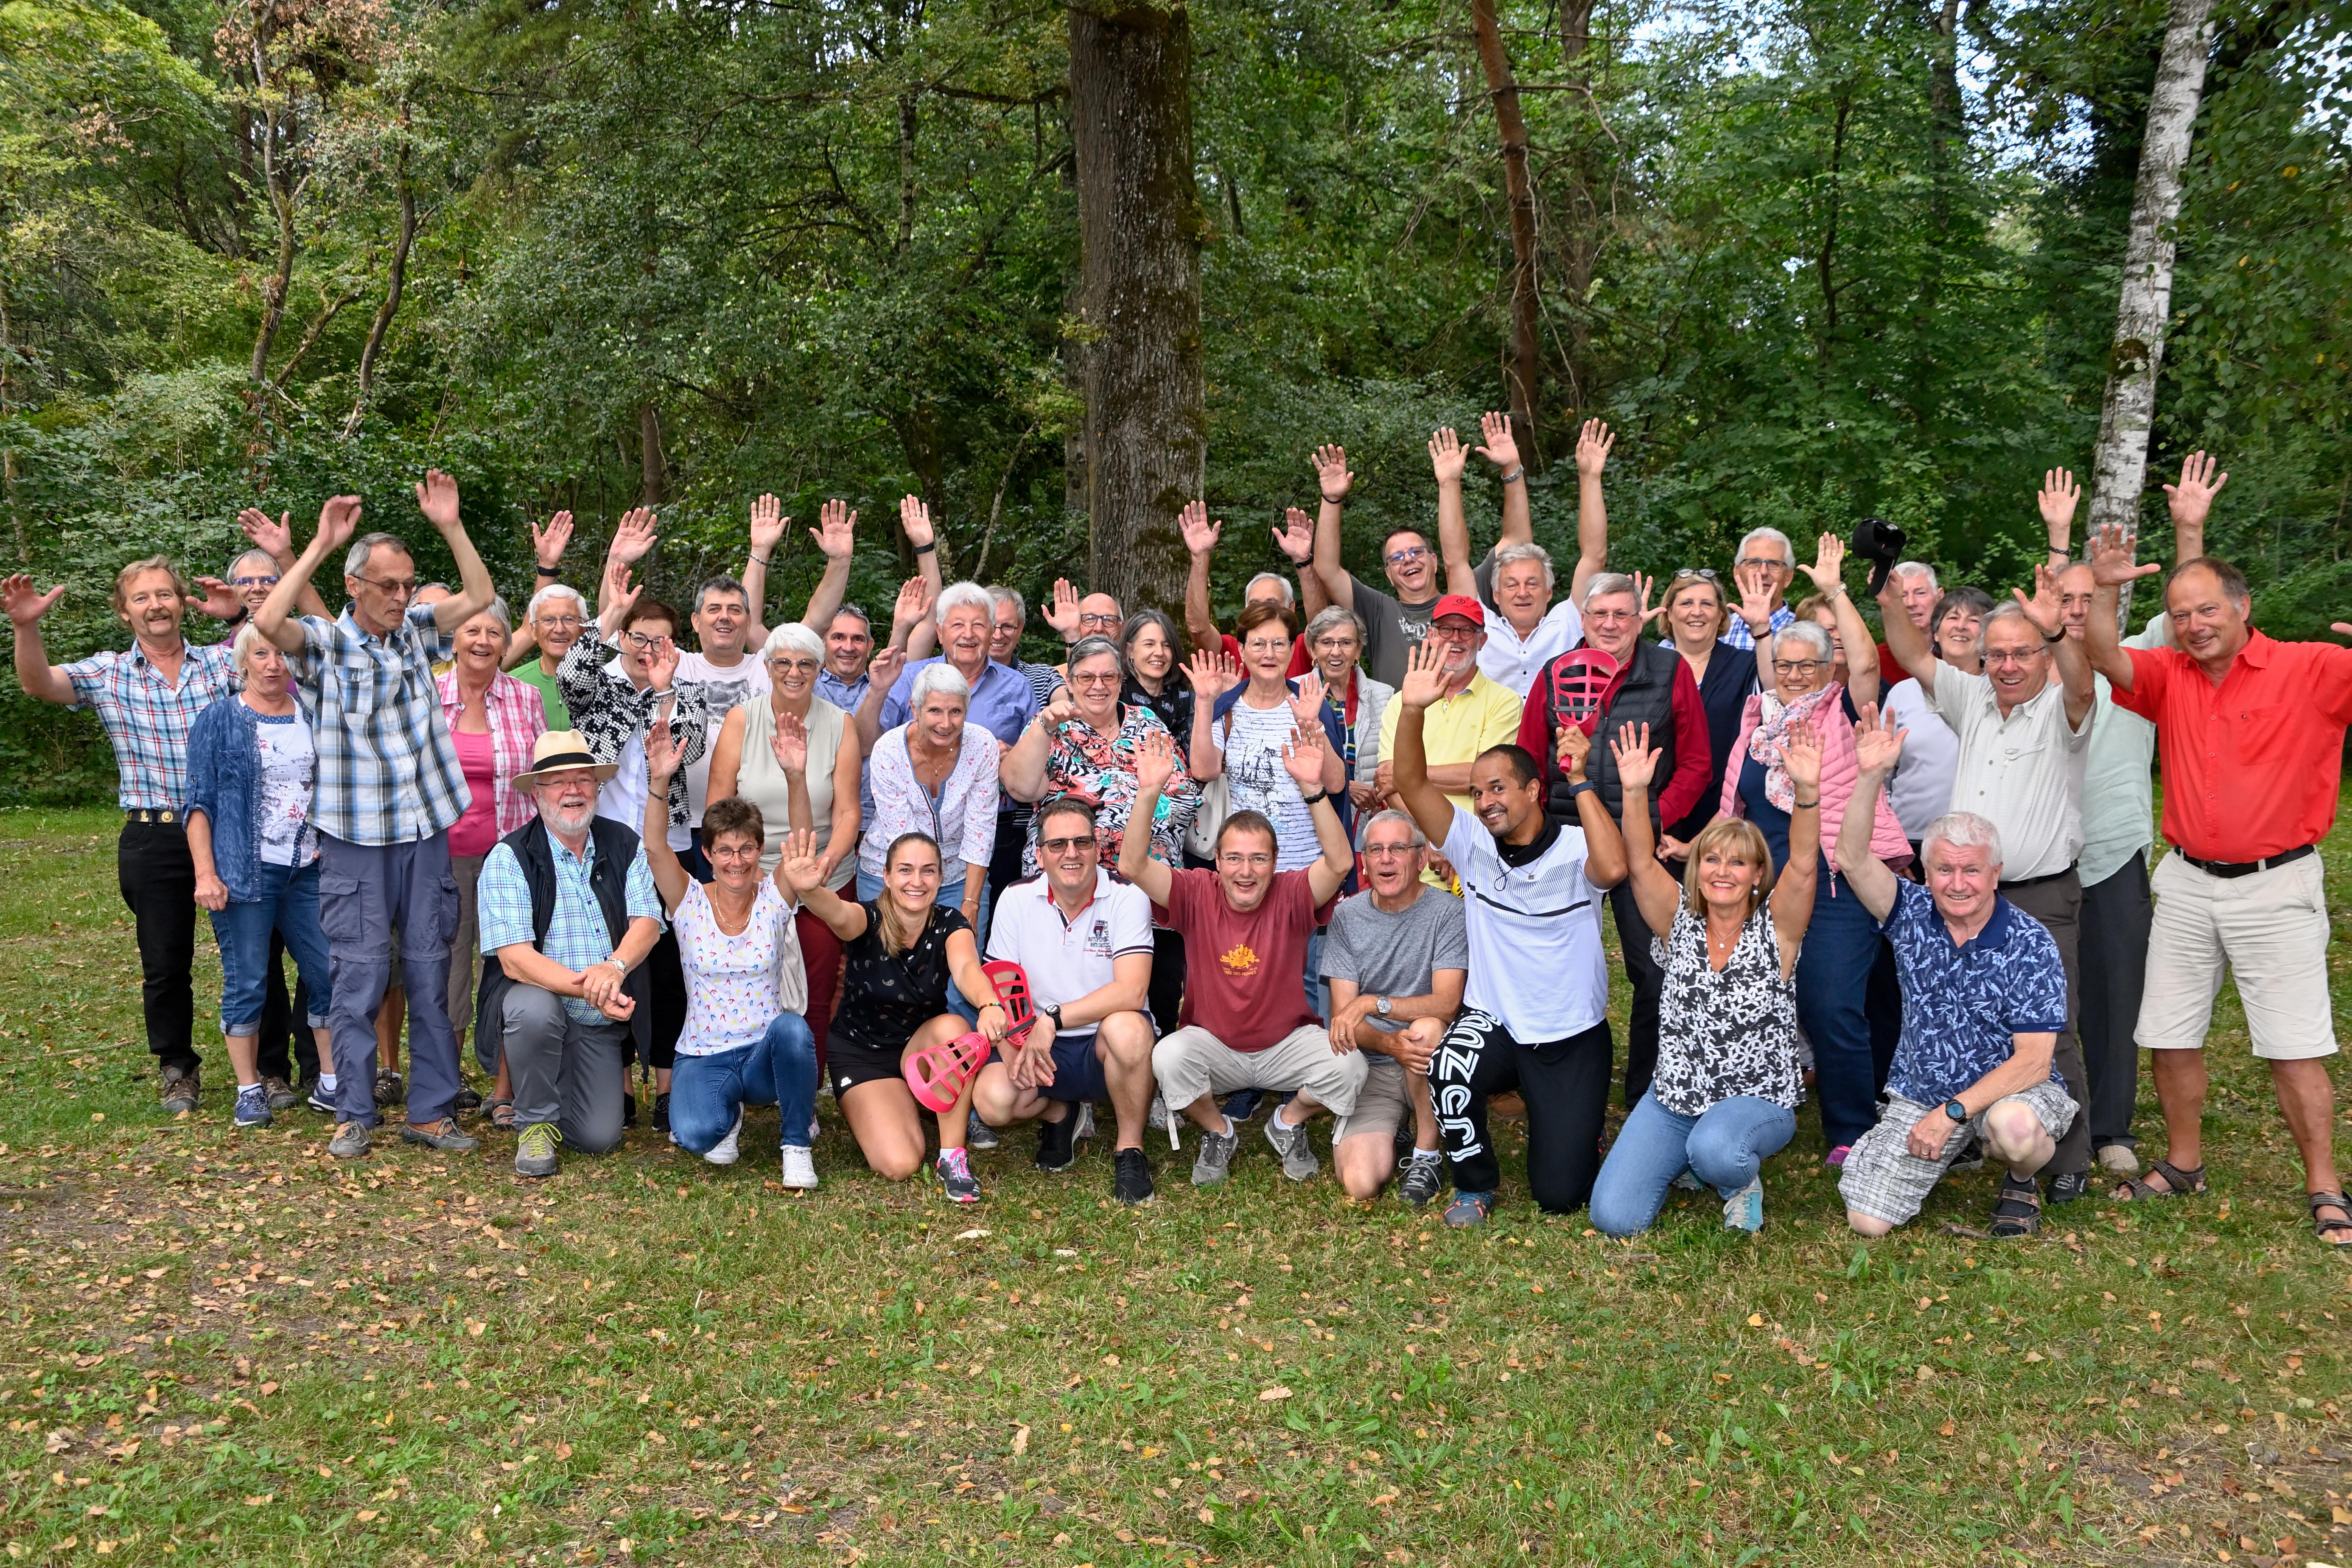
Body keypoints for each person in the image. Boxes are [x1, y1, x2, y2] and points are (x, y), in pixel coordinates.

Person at [2082, 511, 2352, 1247]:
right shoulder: (2169, 675)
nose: (2193, 624)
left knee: (2291, 1046)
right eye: (2179, 615)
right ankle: (2181, 1163)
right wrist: (2103, 589)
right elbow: (2104, 657)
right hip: (2187, 882)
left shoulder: (2311, 668)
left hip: (2276, 884)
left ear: (2241, 608)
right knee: (2168, 1033)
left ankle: (2324, 1185)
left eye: (2206, 609)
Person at [252, 476, 497, 1159]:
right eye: (387, 585)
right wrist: (319, 546)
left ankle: (432, 1112)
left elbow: (478, 597)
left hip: (425, 831)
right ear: (355, 586)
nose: (400, 596)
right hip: (356, 838)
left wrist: (450, 524)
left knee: (428, 967)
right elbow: (269, 624)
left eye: (406, 584)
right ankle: (354, 1111)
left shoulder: (419, 633)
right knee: (357, 976)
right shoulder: (325, 646)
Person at [1880, 549, 2096, 1204]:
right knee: (1960, 1022)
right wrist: (1888, 595)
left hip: (2040, 892)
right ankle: (1971, 1137)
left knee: (2051, 1032)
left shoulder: (2066, 708)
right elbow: (1914, 655)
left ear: (2043, 657)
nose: (2006, 665)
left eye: (2022, 653)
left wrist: (2057, 630)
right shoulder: (1970, 697)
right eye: (1996, 653)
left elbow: (2084, 684)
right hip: (1963, 895)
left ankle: (2065, 1160)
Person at [1389, 640, 1629, 1224]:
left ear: (1532, 791)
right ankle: (1475, 1184)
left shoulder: (1577, 849)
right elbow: (1412, 782)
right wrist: (1415, 710)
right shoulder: (1471, 845)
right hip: (1494, 1020)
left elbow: (1616, 869)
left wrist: (1580, 777)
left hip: (1569, 1033)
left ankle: (1582, 1128)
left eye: (1498, 787)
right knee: (1448, 1066)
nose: (1485, 801)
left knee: (1560, 1195)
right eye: (1477, 791)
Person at [6, 557, 244, 1112]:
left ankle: (273, 1069)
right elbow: (38, 683)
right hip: (153, 837)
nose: (156, 605)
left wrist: (241, 617)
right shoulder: (109, 673)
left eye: (165, 594)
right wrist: (25, 626)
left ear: (183, 603)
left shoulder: (220, 665)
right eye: (142, 598)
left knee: (254, 952)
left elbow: (277, 655)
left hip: (228, 831)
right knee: (165, 962)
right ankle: (177, 1068)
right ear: (124, 611)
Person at [1834, 715, 2077, 1238]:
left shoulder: (2030, 941)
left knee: (2015, 1131)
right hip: (1923, 1090)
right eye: (1945, 869)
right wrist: (1870, 776)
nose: (1958, 883)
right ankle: (1954, 1150)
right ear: (1926, 872)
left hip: (2009, 1094)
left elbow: (2034, 1062)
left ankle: (2020, 1178)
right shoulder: (1910, 912)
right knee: (1867, 1222)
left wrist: (1953, 1114)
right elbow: (1851, 857)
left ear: (1996, 873)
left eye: (1972, 870)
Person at [1589, 720, 1819, 1236]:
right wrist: (1633, 791)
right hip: (1675, 1099)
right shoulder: (1679, 922)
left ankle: (1734, 1179)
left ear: (1758, 875)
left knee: (1717, 1150)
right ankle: (1690, 1160)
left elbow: (1803, 865)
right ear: (1696, 867)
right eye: (1711, 858)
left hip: (1758, 1101)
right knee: (1614, 1218)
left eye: (1739, 863)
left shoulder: (1777, 929)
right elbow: (1640, 863)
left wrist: (1807, 793)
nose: (1722, 871)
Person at [2047, 459, 2204, 1175]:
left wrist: (2187, 531)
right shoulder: (2031, 662)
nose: (2076, 611)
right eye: (2067, 600)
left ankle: (2110, 1127)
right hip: (2043, 860)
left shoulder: (2140, 654)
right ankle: (2045, 1116)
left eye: (2088, 599)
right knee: (2047, 1000)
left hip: (2112, 853)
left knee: (2113, 997)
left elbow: (2190, 609)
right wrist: (2056, 539)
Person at [1123, 725, 1363, 1185]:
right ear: (1217, 860)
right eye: (1234, 858)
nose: (1246, 871)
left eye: (1258, 859)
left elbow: (1340, 864)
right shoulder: (1195, 892)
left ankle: (1287, 1122)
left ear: (1275, 863)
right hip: (1214, 1044)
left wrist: (1314, 791)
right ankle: (1219, 1130)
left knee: (1350, 1066)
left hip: (1285, 1042)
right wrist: (1149, 792)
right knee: (1168, 1057)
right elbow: (1133, 865)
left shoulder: (1292, 892)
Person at [1713, 617, 1910, 1166]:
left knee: (1832, 1005)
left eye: (1808, 666)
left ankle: (1852, 1128)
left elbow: (1869, 665)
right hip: (1763, 892)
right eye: (1785, 665)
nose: (1795, 675)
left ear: (1830, 670)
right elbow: (1738, 803)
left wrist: (1838, 589)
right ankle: (1751, 1112)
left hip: (1834, 885)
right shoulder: (1759, 720)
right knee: (1754, 1004)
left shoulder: (1844, 713)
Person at [1515, 571, 1709, 1108]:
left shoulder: (1670, 672)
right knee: (1555, 966)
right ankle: (1550, 1084)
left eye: (1622, 615)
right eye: (1600, 614)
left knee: (1653, 969)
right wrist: (1536, 837)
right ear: (1583, 619)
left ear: (1639, 618)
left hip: (1641, 847)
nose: (1610, 625)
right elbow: (1529, 760)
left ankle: (1649, 1090)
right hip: (1566, 843)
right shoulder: (1556, 675)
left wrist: (1650, 824)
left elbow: (1695, 765)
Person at [560, 541, 713, 1131]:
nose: (651, 649)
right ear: (623, 636)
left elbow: (689, 748)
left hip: (667, 844)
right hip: (604, 845)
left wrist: (665, 690)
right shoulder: (598, 685)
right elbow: (571, 677)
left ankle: (670, 1083)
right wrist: (608, 620)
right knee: (613, 961)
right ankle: (618, 1082)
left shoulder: (686, 691)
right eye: (640, 637)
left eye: (662, 640)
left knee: (672, 966)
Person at [474, 731, 666, 1177]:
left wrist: (614, 968)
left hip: (597, 1018)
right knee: (533, 1008)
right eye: (558, 782)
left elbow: (648, 923)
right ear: (537, 793)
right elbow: (515, 960)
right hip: (541, 1003)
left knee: (600, 1137)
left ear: (597, 789)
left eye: (583, 780)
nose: (573, 791)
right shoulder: (509, 857)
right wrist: (593, 988)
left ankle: (546, 1084)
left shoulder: (624, 843)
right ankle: (535, 1124)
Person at [784, 828, 1010, 1201]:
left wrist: (989, 1004)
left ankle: (953, 1157)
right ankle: (884, 1105)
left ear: (940, 878)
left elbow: (968, 968)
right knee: (900, 1163)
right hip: (862, 1055)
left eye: (928, 871)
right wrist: (810, 892)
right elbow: (840, 915)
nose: (917, 882)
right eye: (905, 871)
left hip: (919, 1050)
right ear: (886, 877)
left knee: (956, 1028)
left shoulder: (951, 923)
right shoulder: (868, 918)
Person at [643, 720, 820, 1188]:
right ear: (708, 853)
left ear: (760, 851)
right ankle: (727, 1113)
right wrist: (659, 781)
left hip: (764, 1050)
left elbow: (800, 847)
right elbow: (656, 848)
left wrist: (796, 776)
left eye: (746, 849)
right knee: (697, 1135)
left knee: (794, 1029)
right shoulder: (688, 901)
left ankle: (796, 1143)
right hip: (704, 1053)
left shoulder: (773, 899)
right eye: (724, 850)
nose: (736, 861)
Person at [184, 625, 335, 1129]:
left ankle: (331, 1082)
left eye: (282, 654)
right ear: (242, 662)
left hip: (308, 868)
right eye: (262, 654)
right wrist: (206, 873)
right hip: (245, 872)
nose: (273, 664)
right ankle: (249, 1089)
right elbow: (199, 803)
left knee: (328, 973)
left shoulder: (311, 718)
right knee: (248, 979)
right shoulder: (220, 719)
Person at [970, 797, 1158, 1203]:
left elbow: (1132, 991)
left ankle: (1130, 1148)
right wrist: (1009, 1049)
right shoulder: (1016, 898)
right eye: (1057, 845)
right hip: (1035, 1045)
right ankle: (1061, 1112)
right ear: (1039, 854)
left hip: (1101, 1043)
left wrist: (1052, 1019)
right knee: (992, 1103)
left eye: (1082, 842)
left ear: (1098, 846)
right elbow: (997, 985)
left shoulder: (1128, 897)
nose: (1071, 854)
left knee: (1127, 1029)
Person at [706, 622, 862, 1048]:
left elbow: (849, 811)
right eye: (784, 663)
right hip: (752, 872)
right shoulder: (742, 720)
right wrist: (744, 866)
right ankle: (743, 1073)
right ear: (769, 667)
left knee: (816, 982)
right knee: (749, 980)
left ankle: (805, 1094)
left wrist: (826, 860)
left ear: (820, 669)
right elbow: (718, 808)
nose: (795, 672)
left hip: (822, 868)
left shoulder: (839, 724)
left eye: (806, 664)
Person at [436, 597, 547, 1123]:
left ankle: (504, 1089)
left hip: (510, 858)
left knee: (511, 967)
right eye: (472, 630)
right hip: (444, 858)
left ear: (508, 643)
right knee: (450, 971)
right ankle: (447, 1082)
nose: (483, 641)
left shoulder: (527, 699)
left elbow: (541, 782)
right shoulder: (429, 696)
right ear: (454, 639)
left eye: (494, 633)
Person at [1319, 809, 1465, 1207]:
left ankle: (1426, 1154)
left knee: (1427, 1027)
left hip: (1430, 1058)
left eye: (1399, 848)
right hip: (1374, 1065)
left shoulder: (1447, 912)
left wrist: (1374, 1003)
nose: (1386, 859)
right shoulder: (1348, 915)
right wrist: (1388, 1044)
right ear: (1364, 861)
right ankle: (1397, 1123)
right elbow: (1342, 1017)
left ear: (1420, 859)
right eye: (1376, 850)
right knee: (1360, 1183)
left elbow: (1448, 1003)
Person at [1435, 414, 1605, 696]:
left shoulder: (1570, 621)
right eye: (1511, 584)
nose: (1522, 592)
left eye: (1533, 583)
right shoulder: (1480, 628)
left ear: (1550, 592)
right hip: (1492, 741)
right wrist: (1449, 484)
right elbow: (1455, 564)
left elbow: (1594, 556)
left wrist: (1590, 477)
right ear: (1497, 595)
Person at [1002, 635, 1202, 875]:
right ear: (1070, 682)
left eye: (1109, 677)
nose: (1099, 686)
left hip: (1153, 879)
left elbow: (1185, 794)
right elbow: (1020, 789)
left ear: (1121, 682)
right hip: (1070, 877)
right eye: (1086, 677)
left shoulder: (1147, 722)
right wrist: (1045, 726)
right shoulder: (1049, 726)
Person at [1372, 596, 1521, 883]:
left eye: (1467, 631)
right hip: (1415, 856)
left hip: (1478, 855)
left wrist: (1409, 776)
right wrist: (1435, 840)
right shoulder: (1402, 701)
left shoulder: (1506, 702)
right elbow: (1386, 784)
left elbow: (1488, 779)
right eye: (1445, 630)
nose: (1456, 639)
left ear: (1483, 640)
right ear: (1430, 635)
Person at [1191, 603, 1342, 875]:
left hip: (1308, 869)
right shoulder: (1226, 707)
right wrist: (1204, 702)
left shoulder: (1312, 705)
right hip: (1243, 872)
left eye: (1279, 644)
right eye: (1259, 644)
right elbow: (1204, 770)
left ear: (1293, 650)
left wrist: (1312, 725)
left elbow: (1336, 784)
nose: (1269, 654)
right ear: (1242, 650)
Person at [861, 662, 999, 930]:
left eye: (956, 712)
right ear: (915, 708)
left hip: (961, 877)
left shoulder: (982, 745)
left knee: (963, 962)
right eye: (935, 711)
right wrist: (917, 900)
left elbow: (980, 829)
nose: (946, 724)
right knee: (895, 965)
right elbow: (904, 837)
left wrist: (970, 902)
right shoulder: (888, 750)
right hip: (892, 874)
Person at [1308, 441, 1452, 687]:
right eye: (1396, 558)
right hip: (1394, 725)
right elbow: (1327, 569)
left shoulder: (1460, 606)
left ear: (1435, 561)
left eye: (1417, 552)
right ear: (1388, 575)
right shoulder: (1378, 611)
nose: (1408, 559)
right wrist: (1331, 500)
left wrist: (1450, 484)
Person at [1650, 569, 1753, 855]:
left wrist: (1762, 630)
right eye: (1686, 603)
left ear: (1721, 615)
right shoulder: (1647, 667)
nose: (1697, 612)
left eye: (1707, 604)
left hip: (1723, 813)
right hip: (1659, 816)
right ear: (1669, 613)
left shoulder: (1746, 666)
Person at [1181, 498, 1318, 674]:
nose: (1262, 611)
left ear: (1291, 608)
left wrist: (1303, 561)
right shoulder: (1232, 650)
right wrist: (1200, 558)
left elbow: (1321, 626)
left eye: (1271, 603)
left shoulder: (1299, 648)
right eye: (1254, 605)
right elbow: (1198, 629)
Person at [1301, 606, 1392, 847]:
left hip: (1370, 824)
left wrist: (1382, 798)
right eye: (1326, 642)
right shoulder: (1295, 693)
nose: (1336, 652)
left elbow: (1394, 762)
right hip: (1311, 824)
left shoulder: (1386, 696)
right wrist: (1345, 786)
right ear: (1313, 649)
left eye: (1346, 642)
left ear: (1358, 650)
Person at [1719, 527, 1797, 652]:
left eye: (1774, 564)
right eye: (1754, 562)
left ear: (1788, 577)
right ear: (1737, 572)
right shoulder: (1719, 630)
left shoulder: (1807, 632)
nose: (1763, 572)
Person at [1873, 561, 1942, 682]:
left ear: (1939, 596)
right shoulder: (1878, 659)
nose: (1911, 603)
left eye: (1920, 593)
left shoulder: (1954, 653)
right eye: (1902, 596)